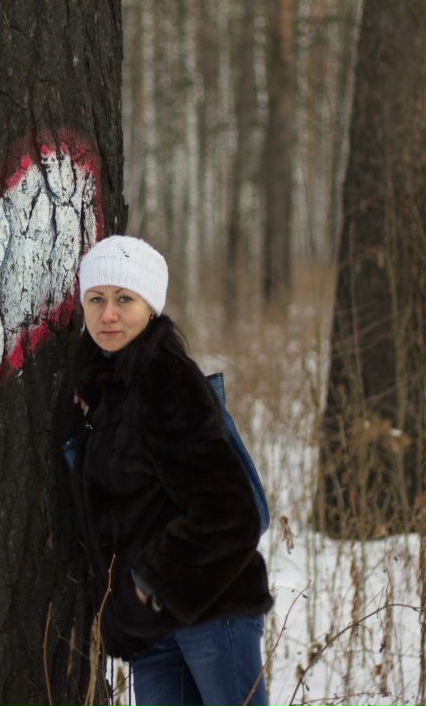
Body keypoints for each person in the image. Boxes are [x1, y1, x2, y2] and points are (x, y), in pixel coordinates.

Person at [69, 235, 273, 706]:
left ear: (151, 308)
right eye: (96, 300)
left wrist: (150, 585)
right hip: (153, 630)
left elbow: (230, 511)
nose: (108, 314)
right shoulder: (107, 389)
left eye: (125, 299)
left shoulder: (166, 380)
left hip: (211, 610)